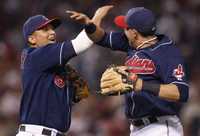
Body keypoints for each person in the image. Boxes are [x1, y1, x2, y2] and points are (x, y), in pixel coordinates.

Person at [67, 6, 189, 136]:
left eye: (126, 27)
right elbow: (99, 37)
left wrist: (140, 85)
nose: (123, 30)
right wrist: (90, 23)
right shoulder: (131, 43)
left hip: (161, 127)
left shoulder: (167, 52)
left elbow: (181, 92)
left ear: (134, 32)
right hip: (137, 127)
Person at [16, 14, 99, 136]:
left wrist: (73, 93)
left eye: (52, 29)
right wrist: (97, 18)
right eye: (45, 30)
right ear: (32, 39)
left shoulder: (53, 67)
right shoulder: (36, 55)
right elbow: (81, 43)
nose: (52, 32)